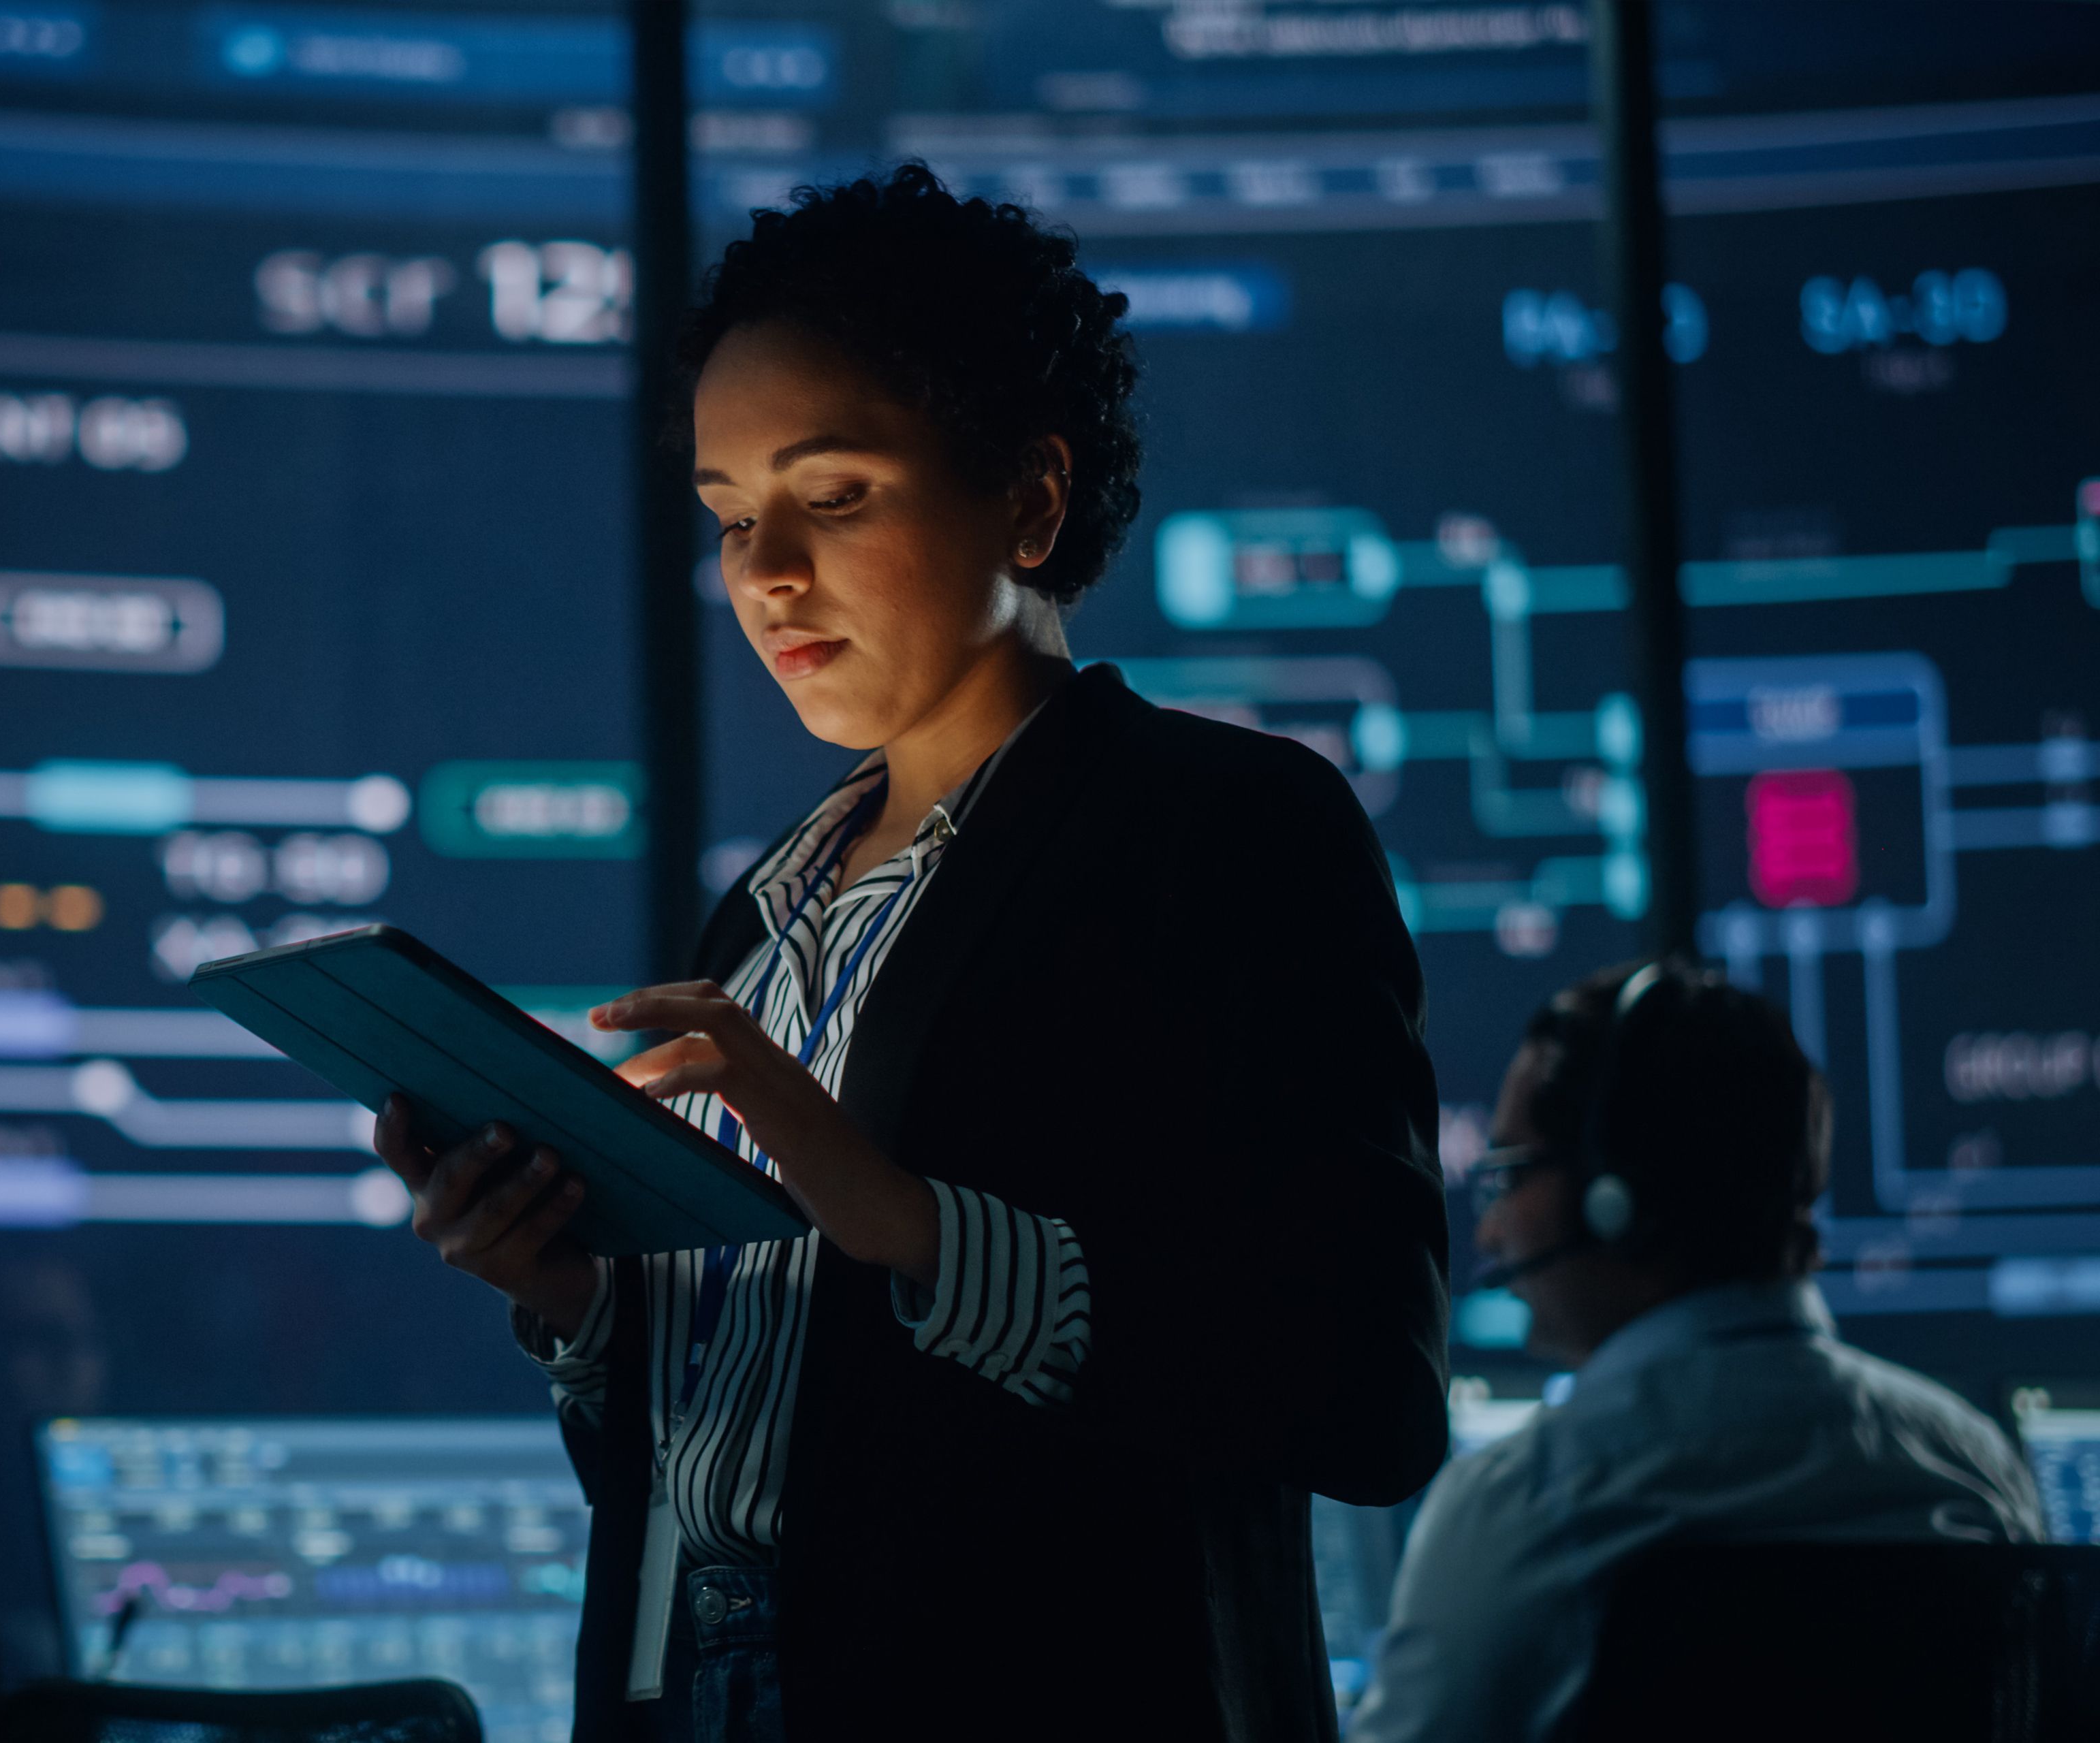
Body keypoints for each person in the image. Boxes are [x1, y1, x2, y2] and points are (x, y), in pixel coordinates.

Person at [374, 164, 1450, 1741]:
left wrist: (906, 1220)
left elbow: (1362, 1386)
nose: (765, 572)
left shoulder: (1227, 828)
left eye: (836, 493)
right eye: (733, 515)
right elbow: (734, 1455)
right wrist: (584, 1303)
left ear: (1027, 493)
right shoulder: (760, 915)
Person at [1350, 959, 2043, 1743]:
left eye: (1511, 1172)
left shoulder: (1527, 1507)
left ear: (1617, 1200)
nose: (1489, 1229)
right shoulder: (1973, 1468)